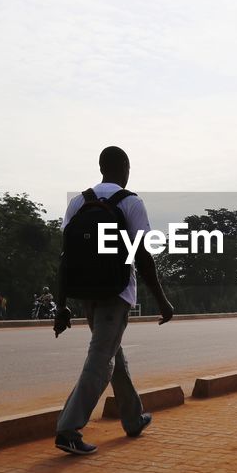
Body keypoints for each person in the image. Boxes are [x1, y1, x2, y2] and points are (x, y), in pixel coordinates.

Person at [53, 146, 174, 456]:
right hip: (117, 294)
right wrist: (161, 300)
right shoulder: (131, 202)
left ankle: (133, 418)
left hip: (87, 294)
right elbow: (144, 257)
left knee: (112, 355)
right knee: (100, 361)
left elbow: (66, 257)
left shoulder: (79, 201)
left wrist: (62, 304)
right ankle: (68, 429)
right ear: (125, 168)